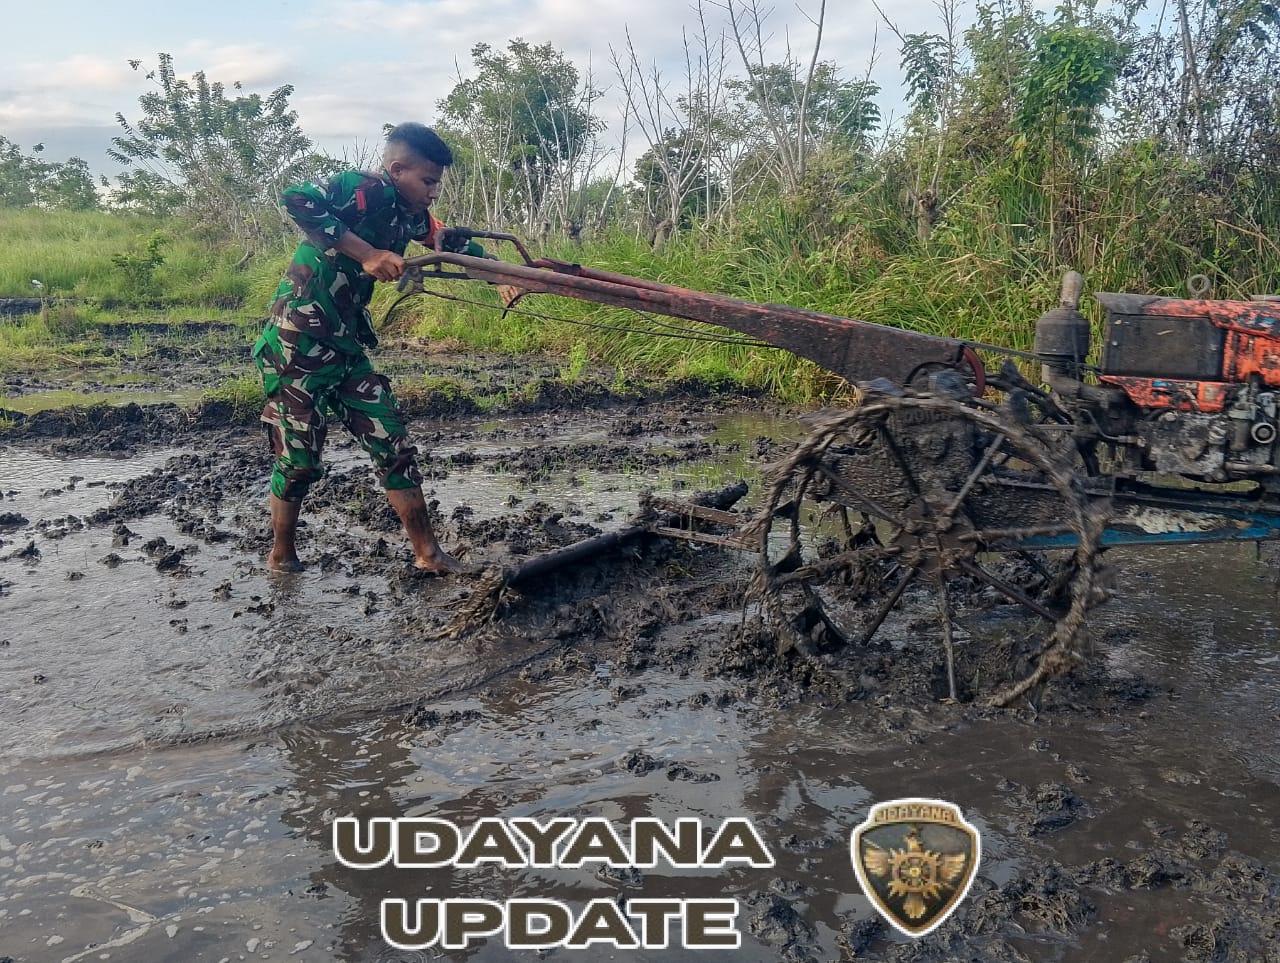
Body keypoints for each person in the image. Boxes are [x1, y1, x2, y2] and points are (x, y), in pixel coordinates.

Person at [252, 122, 483, 574]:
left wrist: (502, 276)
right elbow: (297, 197)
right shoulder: (362, 188)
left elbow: (443, 240)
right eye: (429, 180)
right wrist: (367, 254)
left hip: (346, 346)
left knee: (391, 442)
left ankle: (428, 555)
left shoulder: (411, 214)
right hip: (296, 345)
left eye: (438, 181)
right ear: (397, 169)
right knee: (300, 461)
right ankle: (281, 555)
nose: (434, 191)